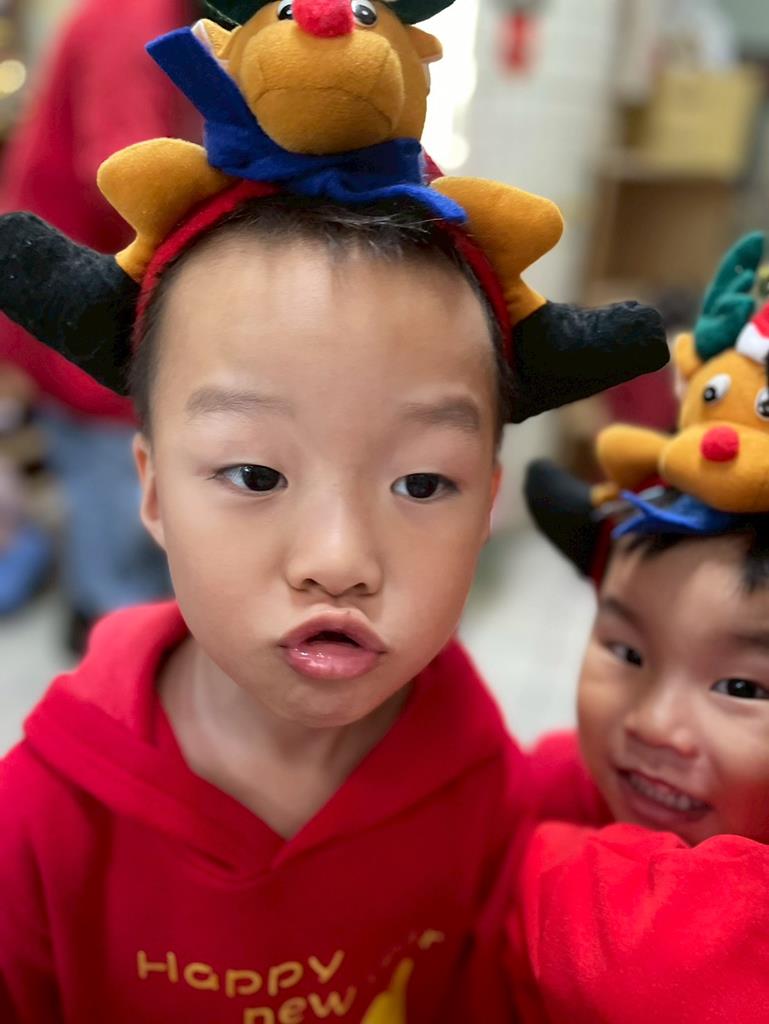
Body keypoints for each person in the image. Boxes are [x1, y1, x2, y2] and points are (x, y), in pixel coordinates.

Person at [0, 1, 666, 1020]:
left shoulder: (477, 778)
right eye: (255, 475)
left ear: (489, 502)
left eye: (421, 484)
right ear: (153, 488)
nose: (339, 558)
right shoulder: (44, 818)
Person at [507, 236, 769, 1022]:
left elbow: (641, 954)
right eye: (625, 650)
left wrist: (497, 853)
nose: (654, 724)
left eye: (741, 686)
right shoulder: (577, 777)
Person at [0, 0, 206, 647]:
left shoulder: (164, 18)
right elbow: (121, 170)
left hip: (102, 297)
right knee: (113, 491)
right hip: (83, 308)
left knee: (115, 485)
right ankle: (113, 638)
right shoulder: (132, 19)